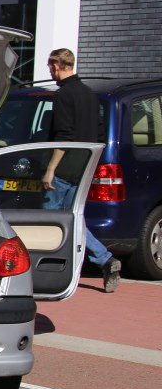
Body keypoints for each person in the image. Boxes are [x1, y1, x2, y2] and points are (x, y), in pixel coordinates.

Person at [42, 48, 121, 292]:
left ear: (57, 65)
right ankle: (106, 260)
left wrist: (50, 169)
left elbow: (63, 136)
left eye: (50, 66)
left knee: (49, 221)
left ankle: (44, 271)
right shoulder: (89, 94)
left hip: (65, 169)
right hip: (84, 167)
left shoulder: (63, 95)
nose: (50, 71)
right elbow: (98, 134)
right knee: (74, 219)